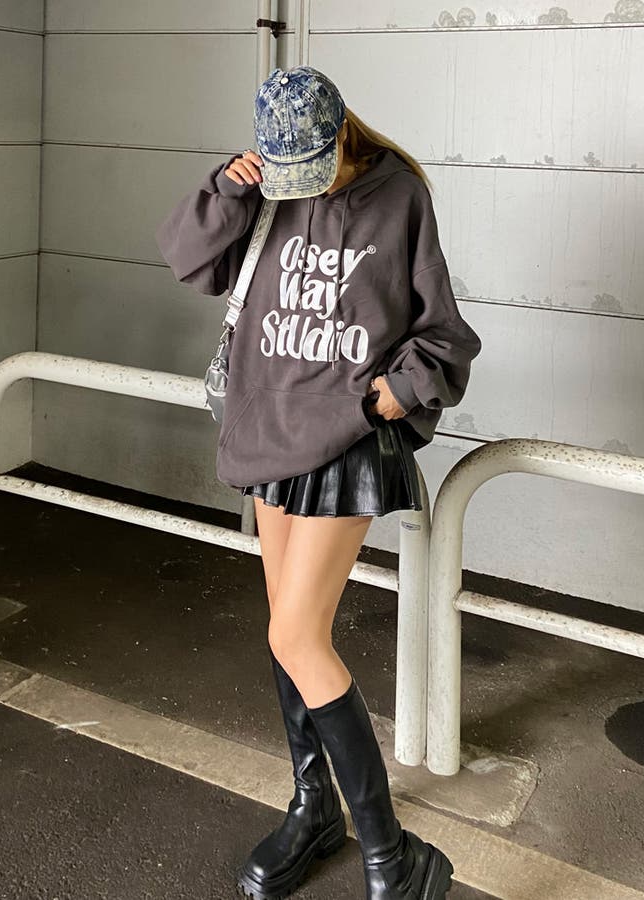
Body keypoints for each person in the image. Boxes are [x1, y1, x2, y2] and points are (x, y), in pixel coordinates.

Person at [155, 65, 481, 900]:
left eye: (314, 167)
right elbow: (188, 260)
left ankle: (394, 858)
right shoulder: (263, 188)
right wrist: (230, 191)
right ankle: (315, 807)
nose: (303, 186)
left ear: (341, 133)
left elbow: (443, 331)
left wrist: (392, 393)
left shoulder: (398, 195)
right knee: (285, 634)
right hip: (270, 427)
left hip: (346, 437)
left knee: (299, 635)